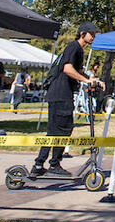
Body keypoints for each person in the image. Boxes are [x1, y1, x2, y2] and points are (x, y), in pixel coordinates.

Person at [32, 22, 104, 177]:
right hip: (60, 94)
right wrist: (86, 81)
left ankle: (39, 164)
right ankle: (53, 164)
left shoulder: (77, 49)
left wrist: (94, 80)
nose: (93, 37)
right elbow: (67, 69)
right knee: (63, 130)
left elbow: (77, 71)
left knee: (54, 132)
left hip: (59, 94)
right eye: (91, 33)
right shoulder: (74, 47)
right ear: (82, 33)